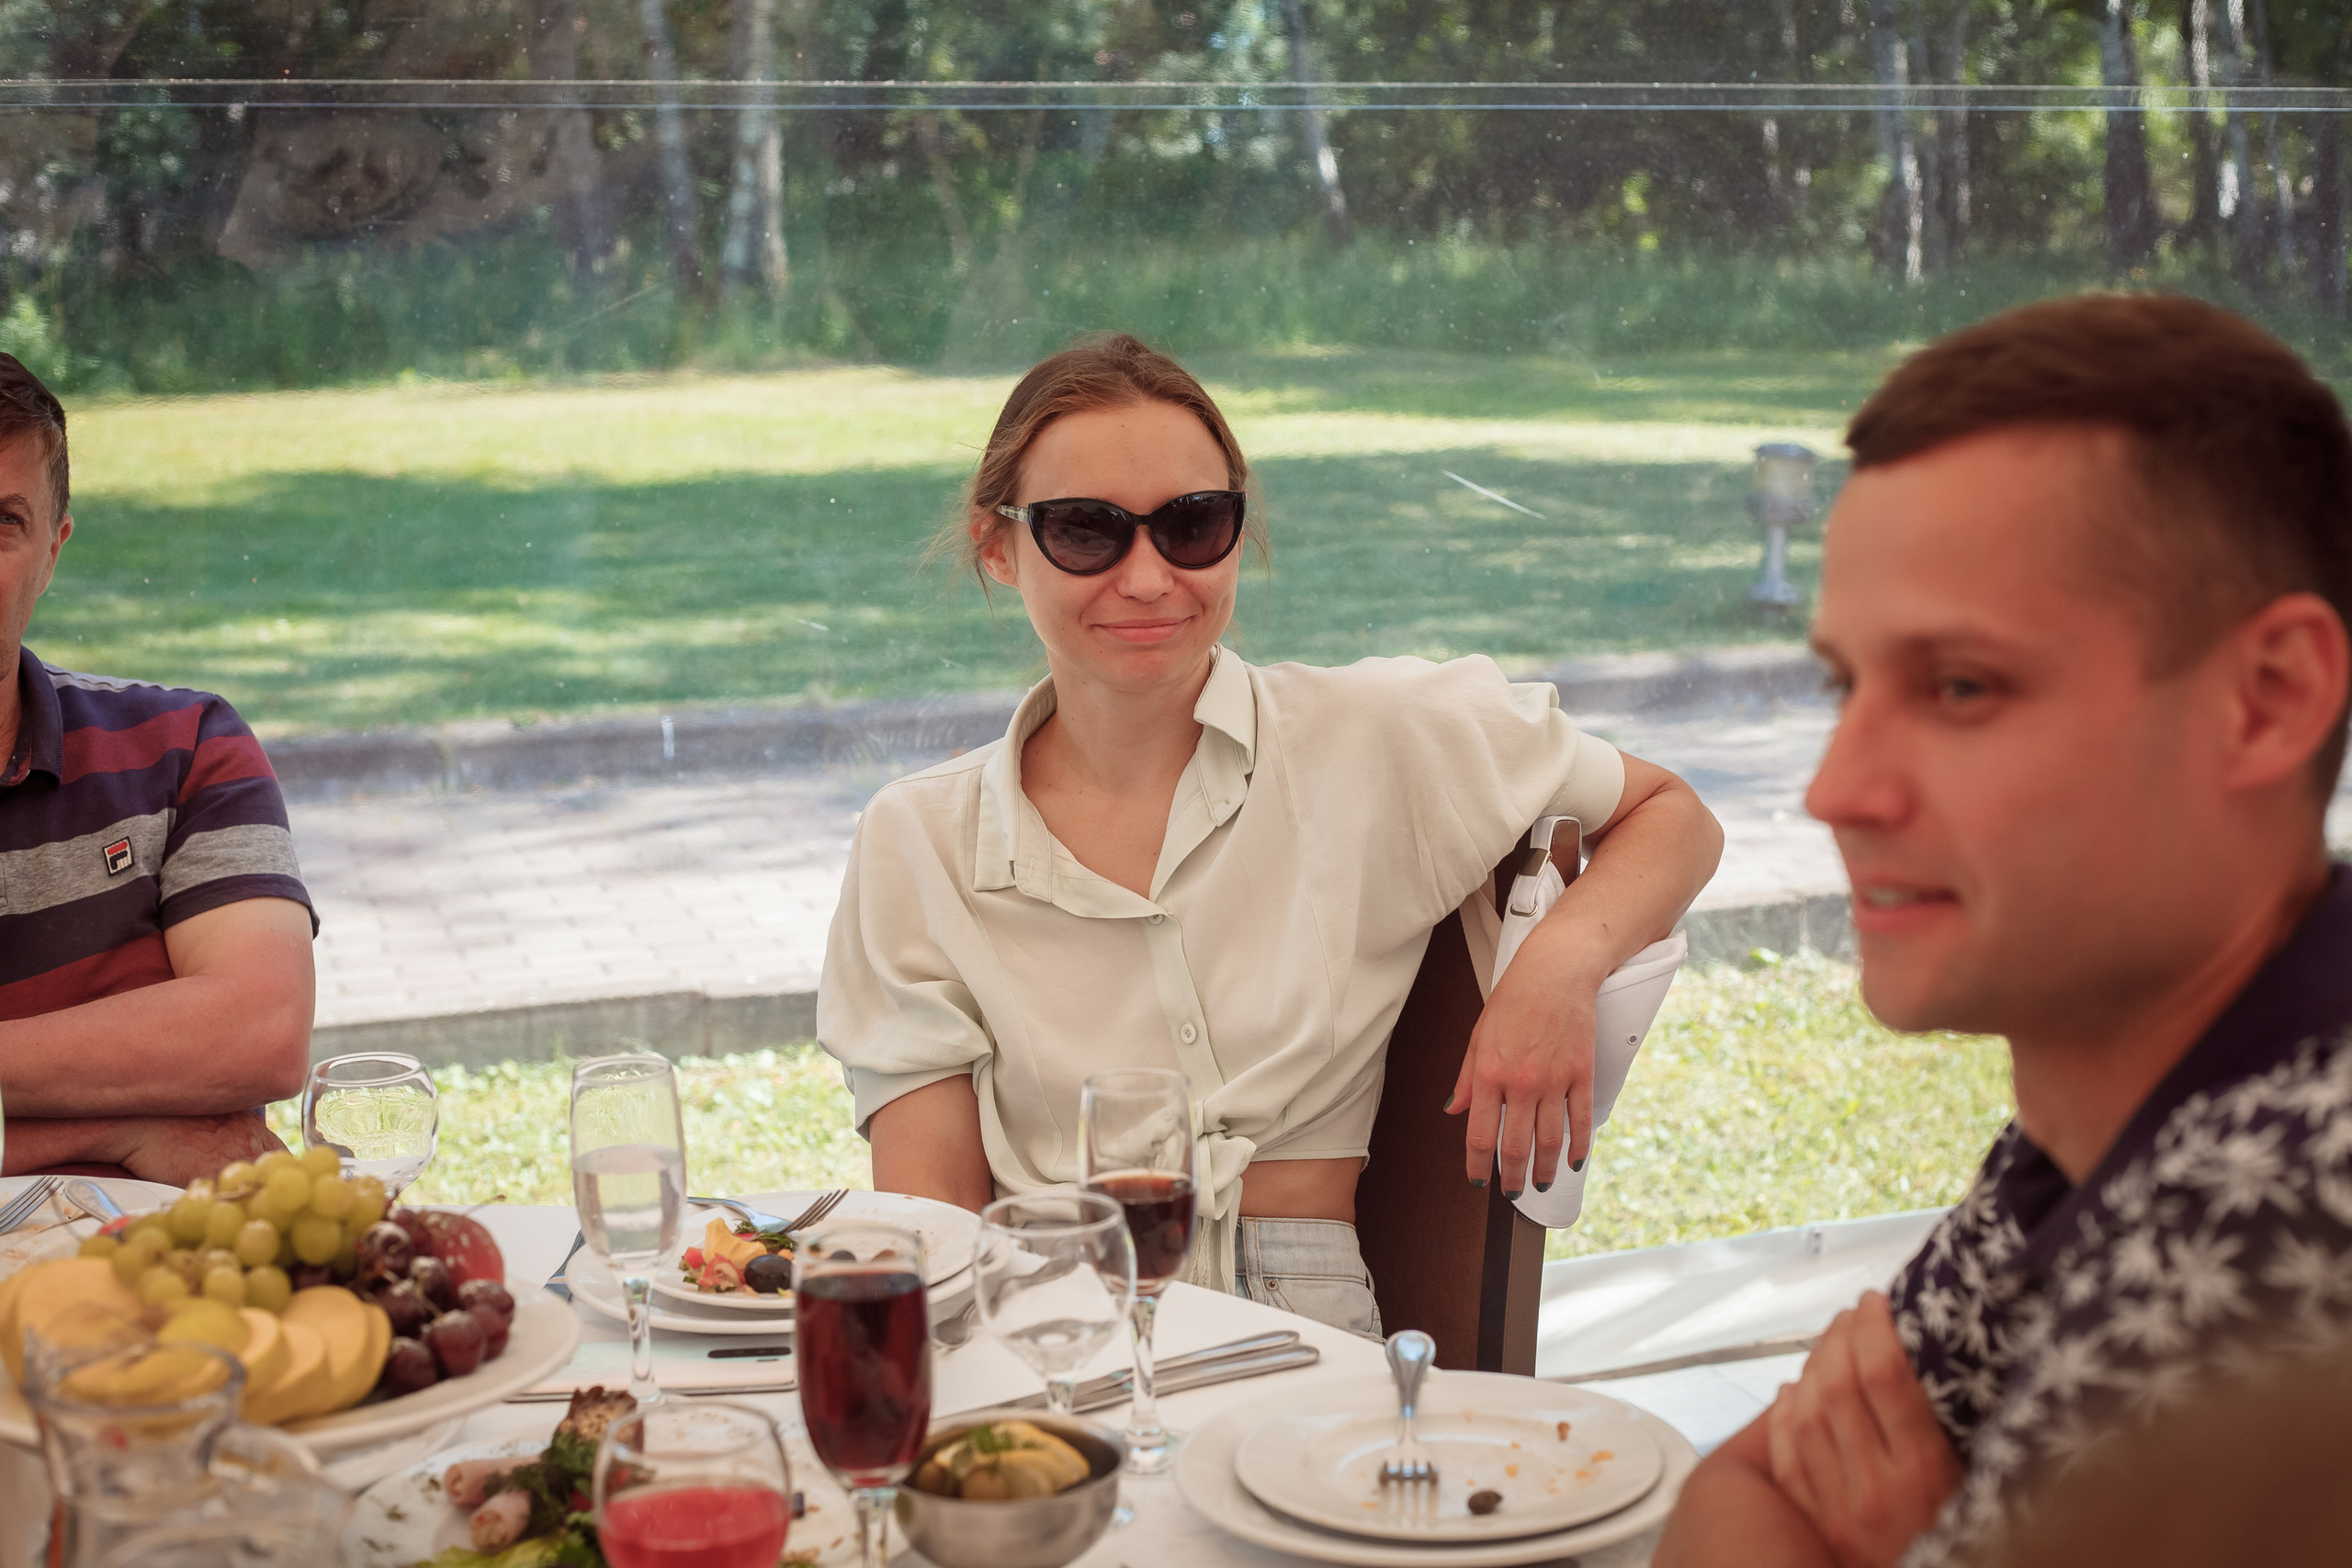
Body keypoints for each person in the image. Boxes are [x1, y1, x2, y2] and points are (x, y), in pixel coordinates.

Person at [818, 333, 1722, 1333]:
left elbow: (1674, 817)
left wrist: (1557, 967)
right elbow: (936, 1226)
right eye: (1085, 530)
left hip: (1305, 1320)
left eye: (1193, 524)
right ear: (998, 546)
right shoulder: (917, 839)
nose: (1148, 577)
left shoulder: (1379, 735)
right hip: (1049, 1321)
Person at [1655, 292, 2352, 1568]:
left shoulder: (2272, 1237)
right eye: (1845, 683)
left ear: (2268, 699)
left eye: (1961, 686)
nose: (1835, 789)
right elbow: (1743, 1483)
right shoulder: (2122, 1107)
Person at [0, 353, 317, 1185]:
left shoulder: (188, 747)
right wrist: (123, 1124)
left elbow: (264, 1032)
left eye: (2, 521)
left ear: (51, 553)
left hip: (176, 1265)